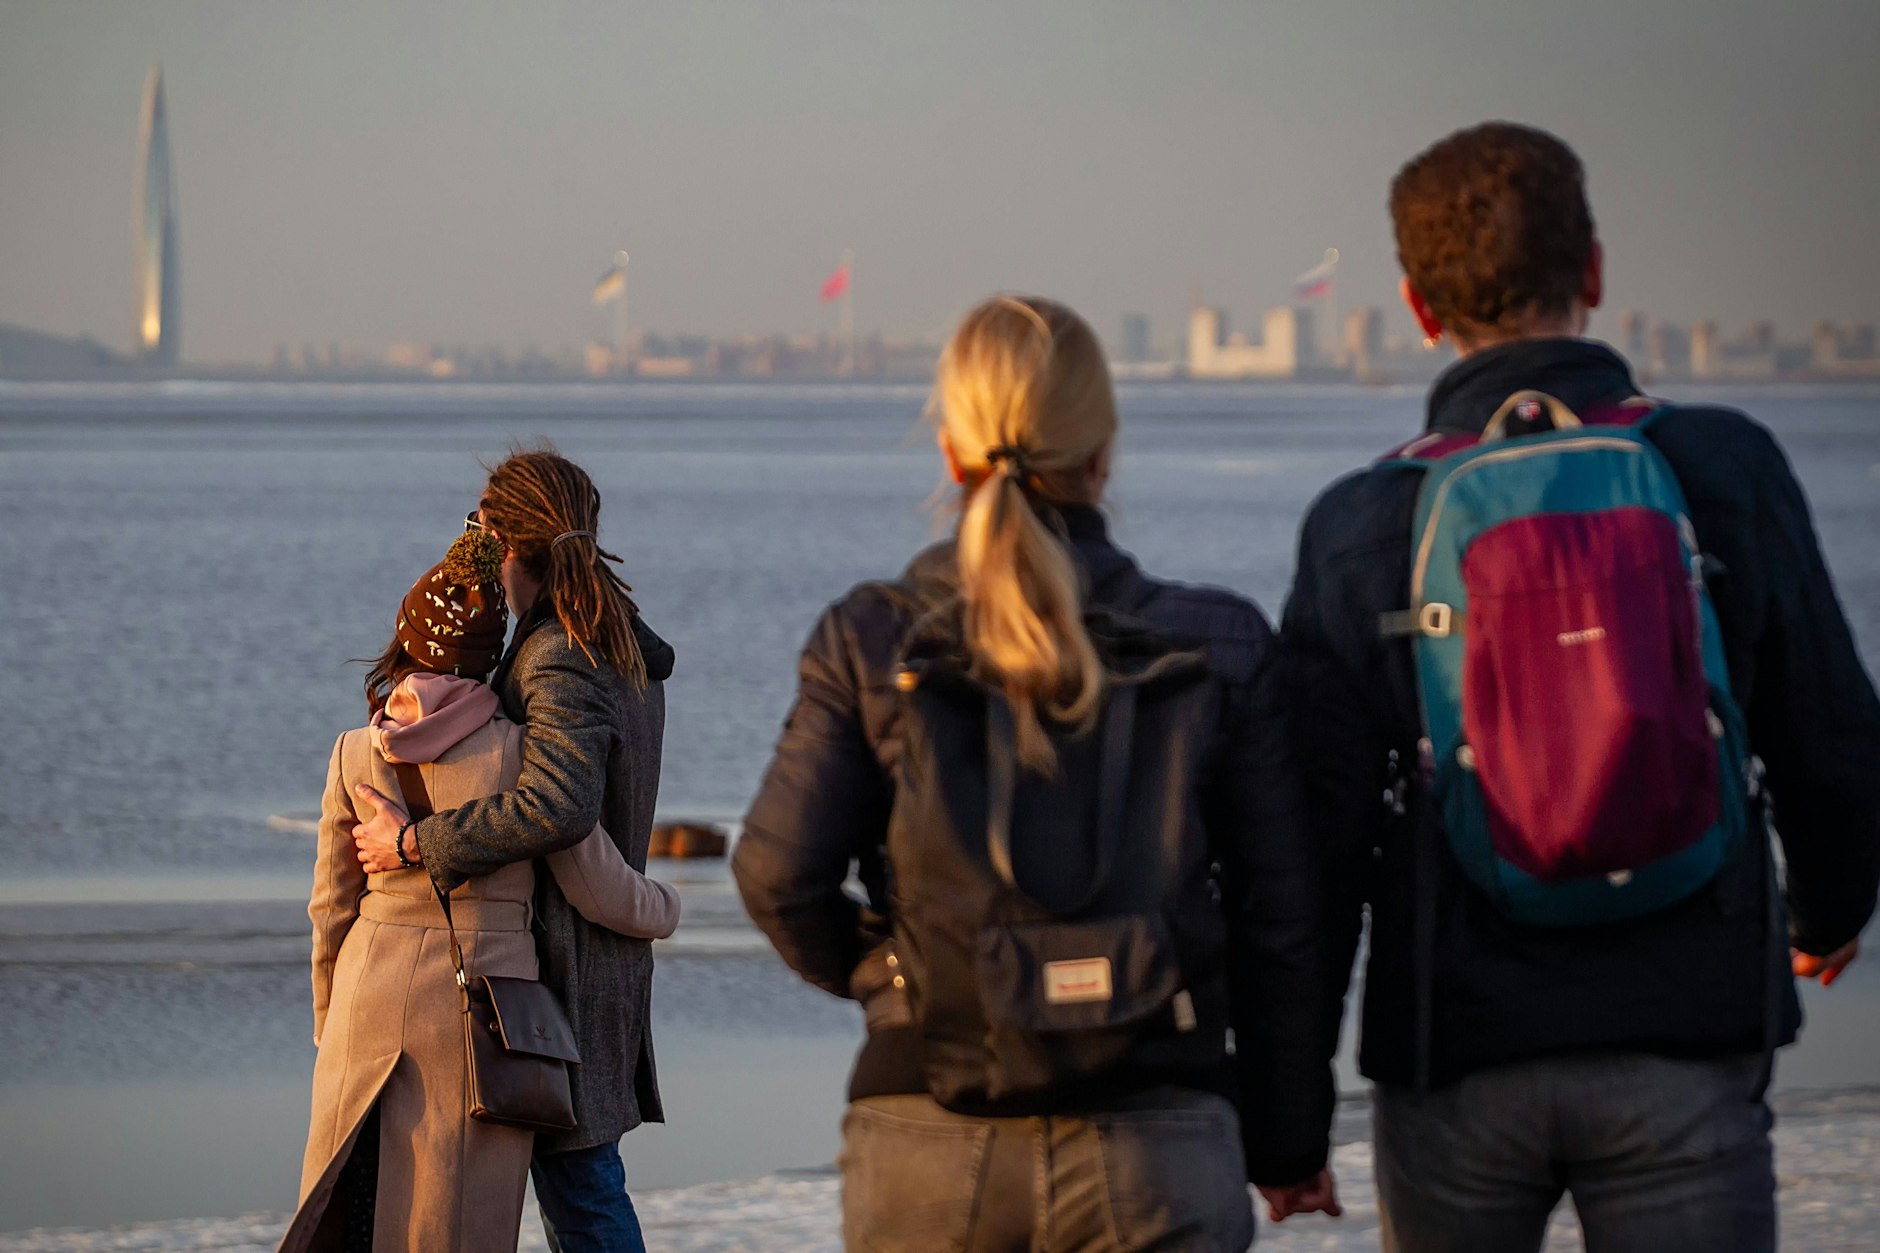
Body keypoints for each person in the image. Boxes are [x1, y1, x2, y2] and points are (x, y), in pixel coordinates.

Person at [1281, 120, 1880, 1253]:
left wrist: (1285, 1110)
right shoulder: (1724, 465)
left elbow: (1310, 849)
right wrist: (1828, 910)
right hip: (1685, 1027)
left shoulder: (1361, 523)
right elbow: (1833, 733)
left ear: (1416, 305)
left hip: (1452, 1051)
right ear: (1593, 271)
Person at [734, 294, 1339, 1252]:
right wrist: (1289, 1136)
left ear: (951, 449)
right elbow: (1285, 921)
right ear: (1102, 454)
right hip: (1159, 1136)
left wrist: (901, 976)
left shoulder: (873, 634)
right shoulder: (1218, 641)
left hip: (926, 1128)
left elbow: (776, 874)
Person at [284, 530, 680, 1252]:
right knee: (451, 1219)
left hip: (365, 1005)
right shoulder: (518, 753)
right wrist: (670, 906)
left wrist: (327, 1019)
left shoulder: (352, 753)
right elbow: (600, 888)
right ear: (489, 652)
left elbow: (330, 908)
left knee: (353, 1215)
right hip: (477, 1018)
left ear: (406, 640)